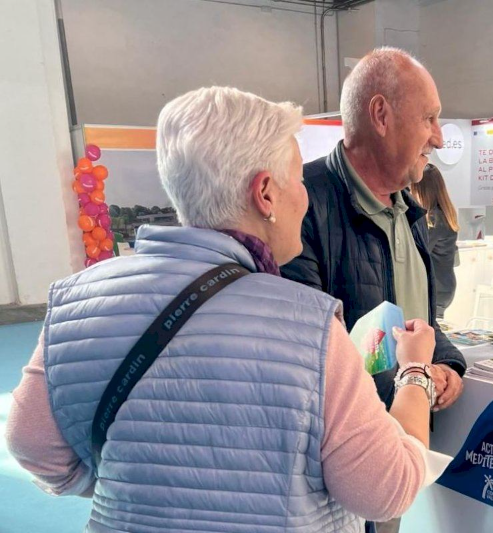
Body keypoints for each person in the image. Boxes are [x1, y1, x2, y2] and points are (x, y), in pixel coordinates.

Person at [5, 87, 443, 533]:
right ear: (265, 194)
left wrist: (130, 485)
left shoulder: (74, 305)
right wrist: (414, 373)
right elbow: (385, 490)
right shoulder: (309, 326)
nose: (307, 197)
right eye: (297, 181)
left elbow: (33, 447)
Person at [281, 47, 466, 533]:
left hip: (395, 446)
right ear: (381, 114)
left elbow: (419, 315)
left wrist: (442, 363)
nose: (440, 137)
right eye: (430, 118)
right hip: (335, 472)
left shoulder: (408, 209)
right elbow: (309, 357)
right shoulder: (303, 204)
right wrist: (411, 372)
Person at [410, 164, 460, 318]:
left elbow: (417, 252)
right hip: (444, 286)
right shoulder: (445, 214)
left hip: (436, 290)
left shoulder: (433, 220)